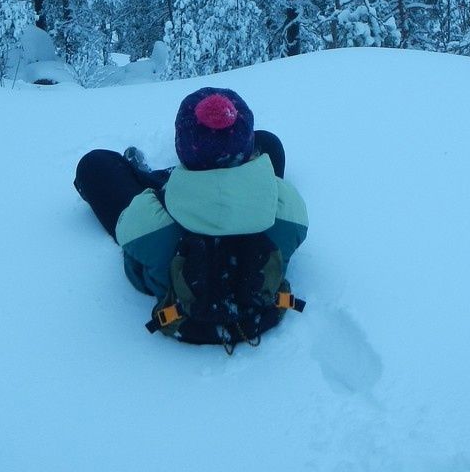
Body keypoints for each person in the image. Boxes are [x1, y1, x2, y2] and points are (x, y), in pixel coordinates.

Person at [73, 86, 309, 311]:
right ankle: (221, 169)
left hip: (169, 234)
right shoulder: (288, 207)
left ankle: (164, 177)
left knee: (94, 165)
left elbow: (133, 259)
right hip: (254, 233)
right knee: (269, 142)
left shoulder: (147, 218)